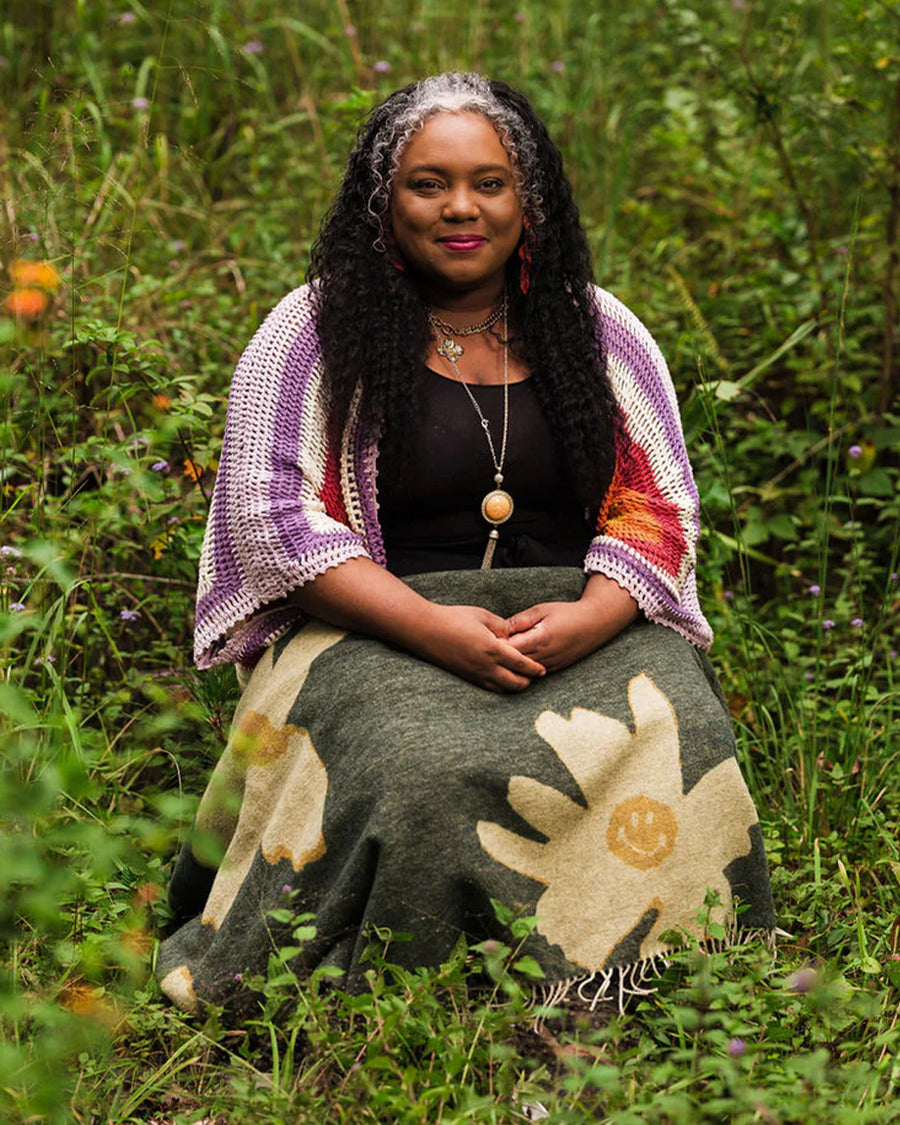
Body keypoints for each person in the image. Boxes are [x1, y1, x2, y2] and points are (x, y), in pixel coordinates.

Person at [158, 73, 773, 1016]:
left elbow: (660, 505)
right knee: (418, 760)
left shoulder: (598, 329)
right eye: (428, 183)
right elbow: (268, 517)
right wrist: (433, 629)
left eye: (490, 182)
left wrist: (591, 618)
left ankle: (651, 965)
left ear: (530, 199)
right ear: (382, 198)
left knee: (676, 722)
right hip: (370, 625)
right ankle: (413, 990)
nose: (461, 208)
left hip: (572, 619)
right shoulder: (312, 331)